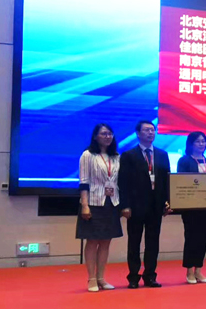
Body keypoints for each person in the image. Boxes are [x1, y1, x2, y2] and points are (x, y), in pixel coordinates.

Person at [118, 120, 171, 288]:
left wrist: (168, 201)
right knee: (134, 242)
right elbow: (123, 182)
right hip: (135, 206)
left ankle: (150, 276)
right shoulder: (129, 155)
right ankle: (133, 277)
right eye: (147, 130)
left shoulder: (162, 154)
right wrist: (124, 205)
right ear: (138, 133)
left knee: (153, 242)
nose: (150, 133)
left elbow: (167, 180)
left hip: (156, 206)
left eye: (152, 130)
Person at [76, 123, 123, 292]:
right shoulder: (88, 155)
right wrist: (85, 205)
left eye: (110, 133)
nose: (107, 136)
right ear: (95, 136)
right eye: (103, 133)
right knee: (92, 241)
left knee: (106, 242)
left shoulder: (116, 156)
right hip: (93, 203)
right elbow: (84, 182)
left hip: (112, 203)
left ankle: (101, 277)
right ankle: (91, 278)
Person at [177, 131, 206, 284]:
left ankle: (199, 270)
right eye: (198, 141)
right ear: (191, 144)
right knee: (191, 238)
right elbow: (181, 182)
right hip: (190, 207)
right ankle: (189, 271)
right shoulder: (184, 160)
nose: (201, 144)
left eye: (203, 141)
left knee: (203, 238)